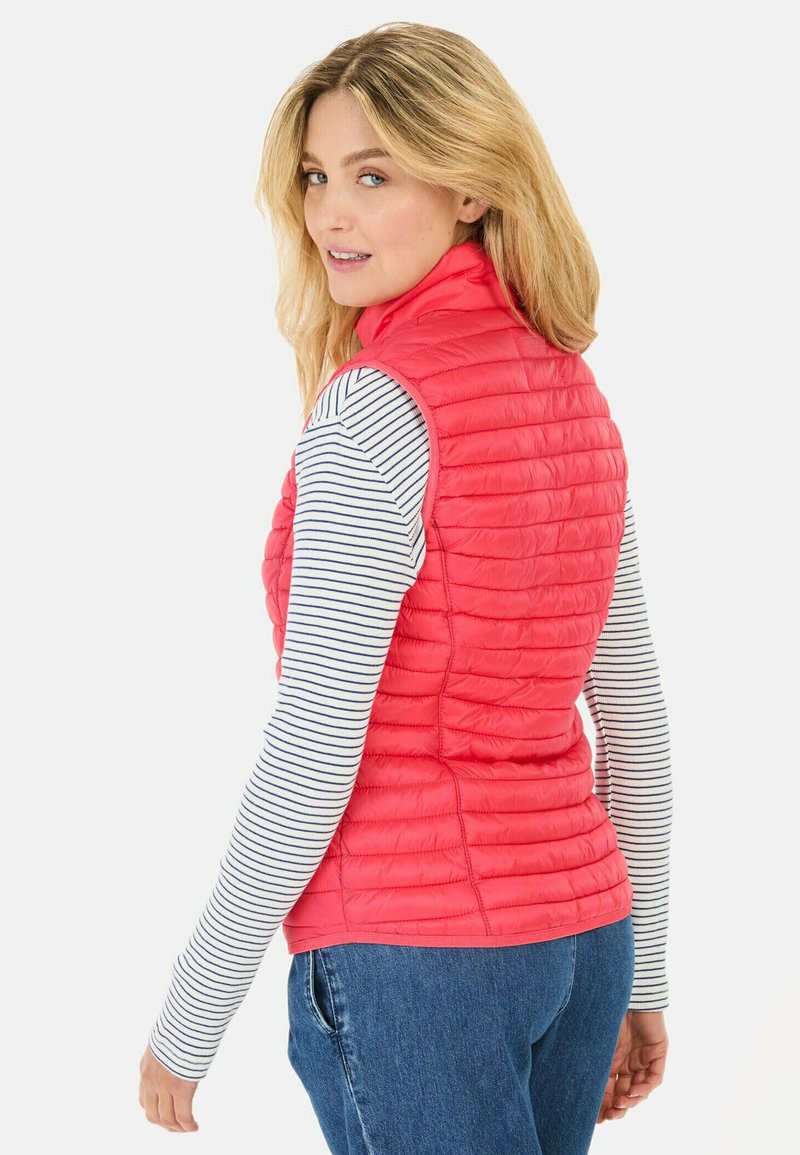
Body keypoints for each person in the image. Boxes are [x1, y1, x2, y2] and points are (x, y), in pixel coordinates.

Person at [139, 21, 672, 1153]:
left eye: (372, 177)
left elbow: (314, 744)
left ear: (472, 185)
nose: (329, 214)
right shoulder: (570, 391)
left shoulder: (376, 412)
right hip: (582, 940)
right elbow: (632, 714)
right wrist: (643, 969)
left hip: (418, 959)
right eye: (315, 177)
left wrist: (192, 1011)